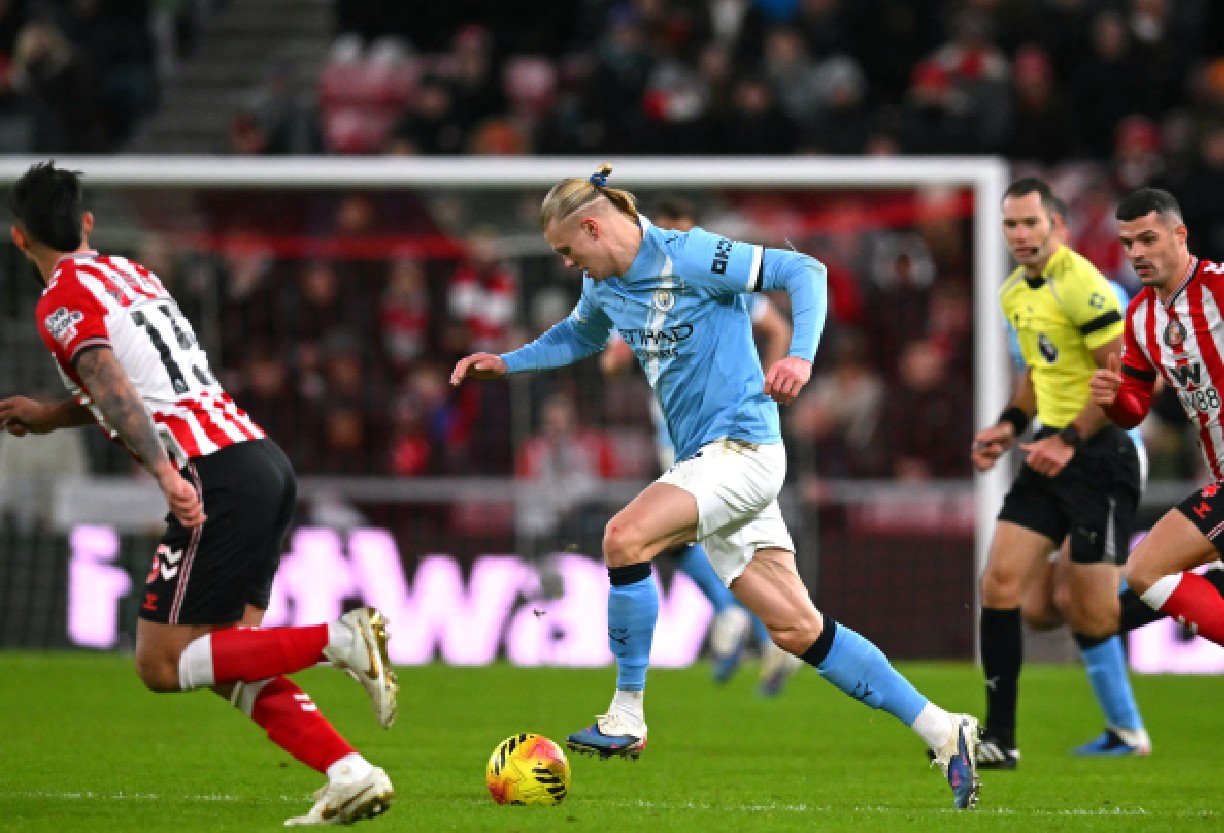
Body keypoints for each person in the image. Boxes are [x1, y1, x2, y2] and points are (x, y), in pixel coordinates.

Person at [452, 163, 981, 809]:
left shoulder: (689, 253)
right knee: (796, 628)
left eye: (568, 250)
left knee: (623, 537)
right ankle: (942, 727)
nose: (569, 265)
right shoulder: (607, 285)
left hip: (742, 450)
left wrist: (800, 356)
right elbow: (580, 334)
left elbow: (804, 272)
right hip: (709, 462)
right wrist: (506, 362)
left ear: (594, 226)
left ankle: (627, 712)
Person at [0, 162, 398, 827]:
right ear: (87, 224)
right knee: (225, 659)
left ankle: (339, 638)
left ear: (19, 239)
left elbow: (113, 385)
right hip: (259, 458)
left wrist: (164, 474)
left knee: (160, 662)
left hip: (211, 470)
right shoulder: (132, 273)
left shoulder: (60, 301)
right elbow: (140, 381)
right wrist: (51, 413)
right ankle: (350, 772)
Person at [972, 178, 1150, 768]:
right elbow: (1035, 374)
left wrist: (1071, 439)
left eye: (1031, 223)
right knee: (1004, 589)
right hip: (1049, 449)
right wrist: (1007, 425)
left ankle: (1188, 592)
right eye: (1011, 224)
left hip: (1099, 456)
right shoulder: (1013, 295)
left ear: (1056, 226)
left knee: (1092, 614)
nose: (1020, 235)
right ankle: (1000, 738)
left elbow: (1121, 380)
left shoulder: (1083, 285)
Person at [600, 193, 801, 696]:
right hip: (701, 434)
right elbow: (611, 360)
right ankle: (772, 633)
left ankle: (739, 618)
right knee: (721, 542)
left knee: (680, 541)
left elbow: (776, 323)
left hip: (710, 440)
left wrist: (768, 385)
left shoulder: (699, 279)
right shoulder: (647, 288)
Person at [1091, 187, 1224, 678]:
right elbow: (1135, 408)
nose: (1137, 253)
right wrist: (1115, 396)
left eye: (1148, 239)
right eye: (1128, 243)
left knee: (1144, 570)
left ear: (1180, 235)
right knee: (1141, 584)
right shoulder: (1140, 315)